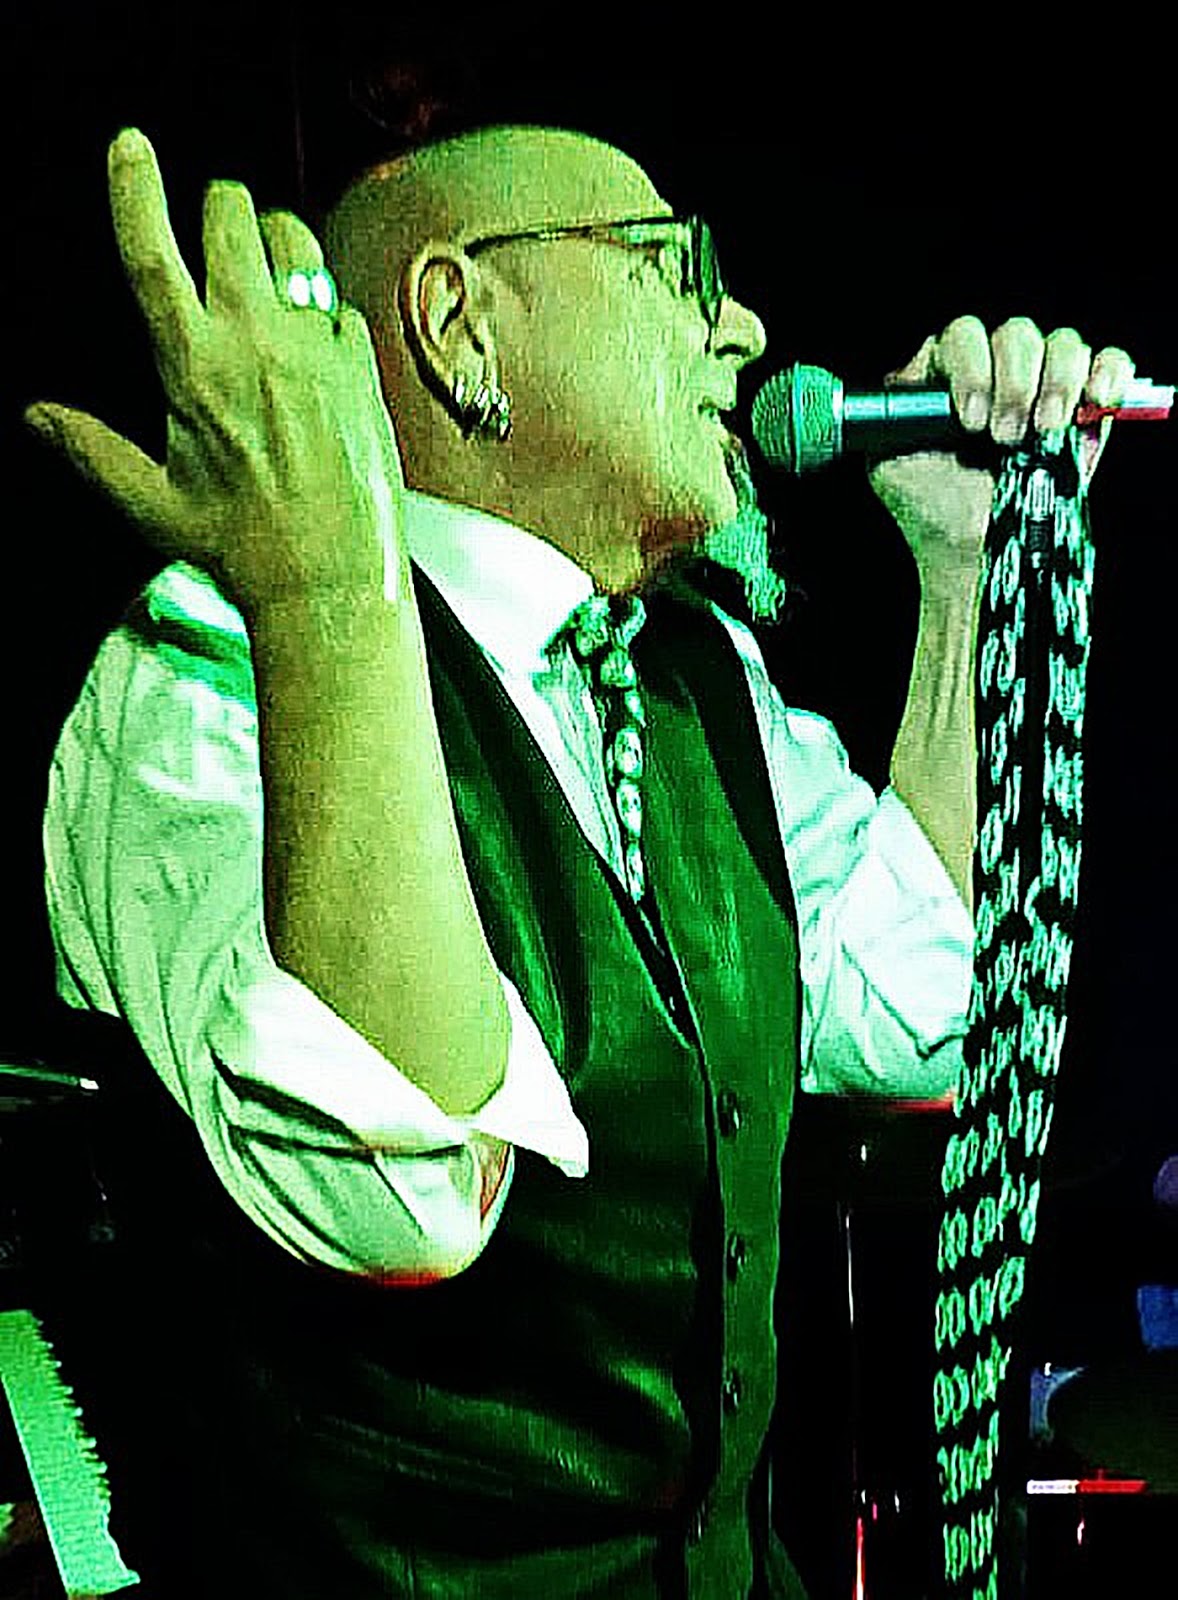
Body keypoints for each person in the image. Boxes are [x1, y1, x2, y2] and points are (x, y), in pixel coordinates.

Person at [24, 121, 1135, 1599]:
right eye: (678, 267)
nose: (740, 328)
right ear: (459, 323)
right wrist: (327, 589)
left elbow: (918, 1009)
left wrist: (960, 566)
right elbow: (396, 1201)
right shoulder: (206, 667)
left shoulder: (700, 680)